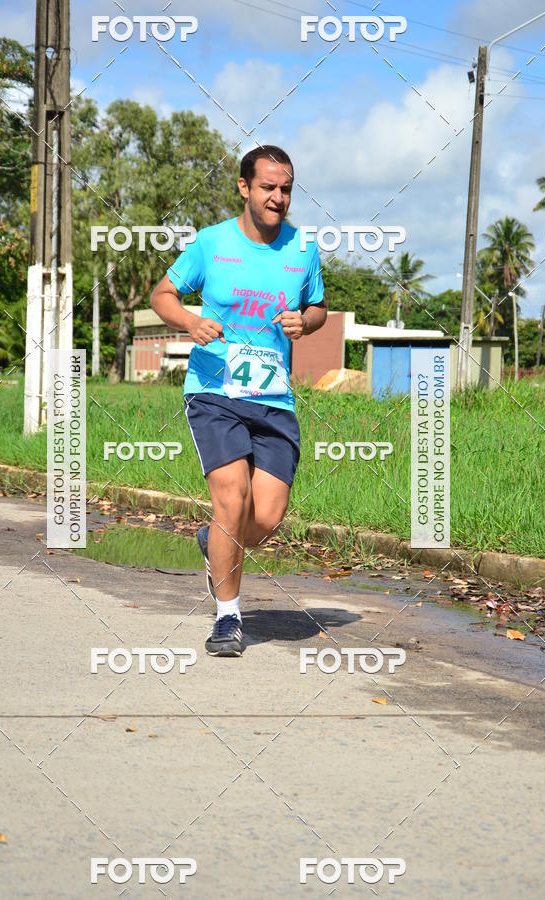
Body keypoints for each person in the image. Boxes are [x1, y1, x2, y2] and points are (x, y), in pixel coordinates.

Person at [150, 145, 327, 657]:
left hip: (273, 397)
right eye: (268, 187)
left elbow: (316, 308)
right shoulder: (211, 244)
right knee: (232, 497)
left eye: (286, 188)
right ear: (244, 187)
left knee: (266, 518)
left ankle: (216, 543)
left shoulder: (303, 248)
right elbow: (163, 294)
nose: (278, 197)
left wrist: (305, 322)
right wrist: (189, 321)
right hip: (215, 390)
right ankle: (228, 617)